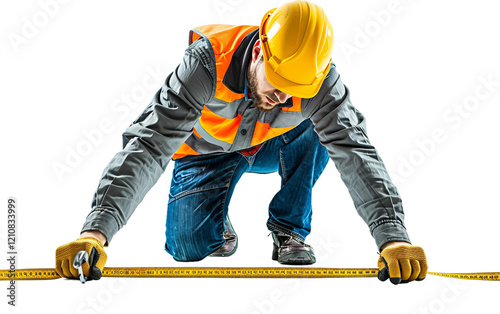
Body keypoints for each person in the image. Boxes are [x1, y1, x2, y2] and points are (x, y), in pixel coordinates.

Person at [55, 0, 427, 285]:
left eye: (296, 90)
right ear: (261, 49)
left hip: (271, 145)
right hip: (207, 153)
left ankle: (289, 228)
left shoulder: (320, 81)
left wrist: (391, 237)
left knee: (323, 129)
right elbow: (150, 144)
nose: (284, 97)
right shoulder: (206, 64)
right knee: (187, 247)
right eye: (279, 83)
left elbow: (354, 149)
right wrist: (95, 232)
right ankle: (219, 221)